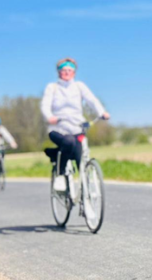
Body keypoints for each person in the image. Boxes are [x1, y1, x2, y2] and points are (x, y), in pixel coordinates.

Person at [41, 58, 110, 193]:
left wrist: (102, 112)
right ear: (59, 72)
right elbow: (45, 105)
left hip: (77, 127)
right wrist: (49, 117)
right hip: (58, 128)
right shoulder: (53, 87)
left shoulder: (79, 86)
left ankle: (85, 193)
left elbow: (92, 100)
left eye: (70, 70)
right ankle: (60, 175)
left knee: (80, 159)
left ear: (74, 73)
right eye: (64, 70)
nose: (67, 72)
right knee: (69, 141)